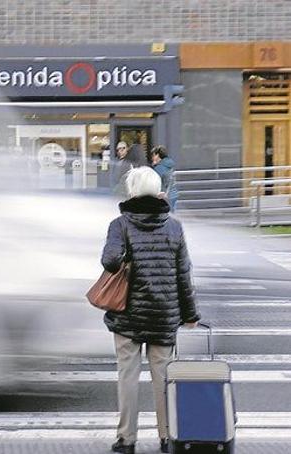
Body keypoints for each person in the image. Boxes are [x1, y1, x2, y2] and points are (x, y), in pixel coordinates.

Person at [101, 166, 200, 454]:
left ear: (132, 190)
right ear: (159, 190)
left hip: (127, 315)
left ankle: (126, 440)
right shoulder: (174, 226)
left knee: (127, 378)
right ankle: (167, 437)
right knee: (163, 379)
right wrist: (190, 314)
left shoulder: (119, 224)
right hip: (163, 314)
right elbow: (184, 273)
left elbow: (109, 262)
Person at [147, 145, 178, 212]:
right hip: (173, 194)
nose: (152, 158)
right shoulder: (169, 163)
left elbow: (154, 182)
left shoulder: (160, 168)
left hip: (164, 196)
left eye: (153, 155)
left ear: (157, 155)